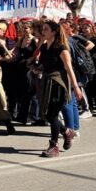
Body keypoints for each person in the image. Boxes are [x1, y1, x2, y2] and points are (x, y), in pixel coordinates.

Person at [36, 20, 84, 158]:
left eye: (46, 29)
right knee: (48, 114)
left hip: (59, 85)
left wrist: (75, 88)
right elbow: (44, 65)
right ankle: (67, 132)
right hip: (47, 83)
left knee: (52, 114)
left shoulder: (61, 48)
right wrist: (36, 68)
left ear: (54, 32)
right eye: (42, 29)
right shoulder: (44, 47)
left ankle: (54, 146)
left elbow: (69, 69)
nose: (43, 31)